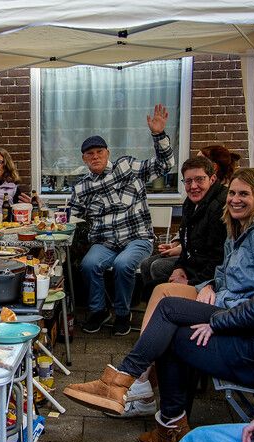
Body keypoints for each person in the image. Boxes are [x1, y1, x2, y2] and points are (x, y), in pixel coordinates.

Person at [63, 165, 254, 442]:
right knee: (169, 315)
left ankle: (143, 404)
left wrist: (219, 323)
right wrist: (214, 290)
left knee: (172, 329)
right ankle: (136, 395)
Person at [111, 167, 254, 417]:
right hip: (221, 295)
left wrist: (219, 318)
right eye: (233, 193)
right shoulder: (240, 226)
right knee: (162, 290)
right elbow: (223, 269)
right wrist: (211, 285)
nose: (235, 199)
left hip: (236, 312)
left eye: (244, 194)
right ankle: (140, 383)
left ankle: (136, 382)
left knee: (167, 307)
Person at [71, 104, 176, 335]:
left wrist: (158, 134)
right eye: (90, 154)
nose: (95, 156)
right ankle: (99, 310)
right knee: (88, 265)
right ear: (84, 158)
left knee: (122, 264)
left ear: (108, 152)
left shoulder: (127, 167)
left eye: (99, 152)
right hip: (105, 242)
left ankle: (122, 312)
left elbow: (165, 165)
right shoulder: (81, 186)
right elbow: (71, 216)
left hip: (137, 238)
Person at [138, 156, 228, 307]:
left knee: (156, 273)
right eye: (188, 181)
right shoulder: (190, 203)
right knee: (147, 267)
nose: (193, 186)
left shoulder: (219, 207)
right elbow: (187, 243)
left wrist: (189, 282)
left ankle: (171, 311)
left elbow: (218, 259)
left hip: (207, 278)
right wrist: (179, 267)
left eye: (199, 179)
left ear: (212, 179)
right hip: (192, 264)